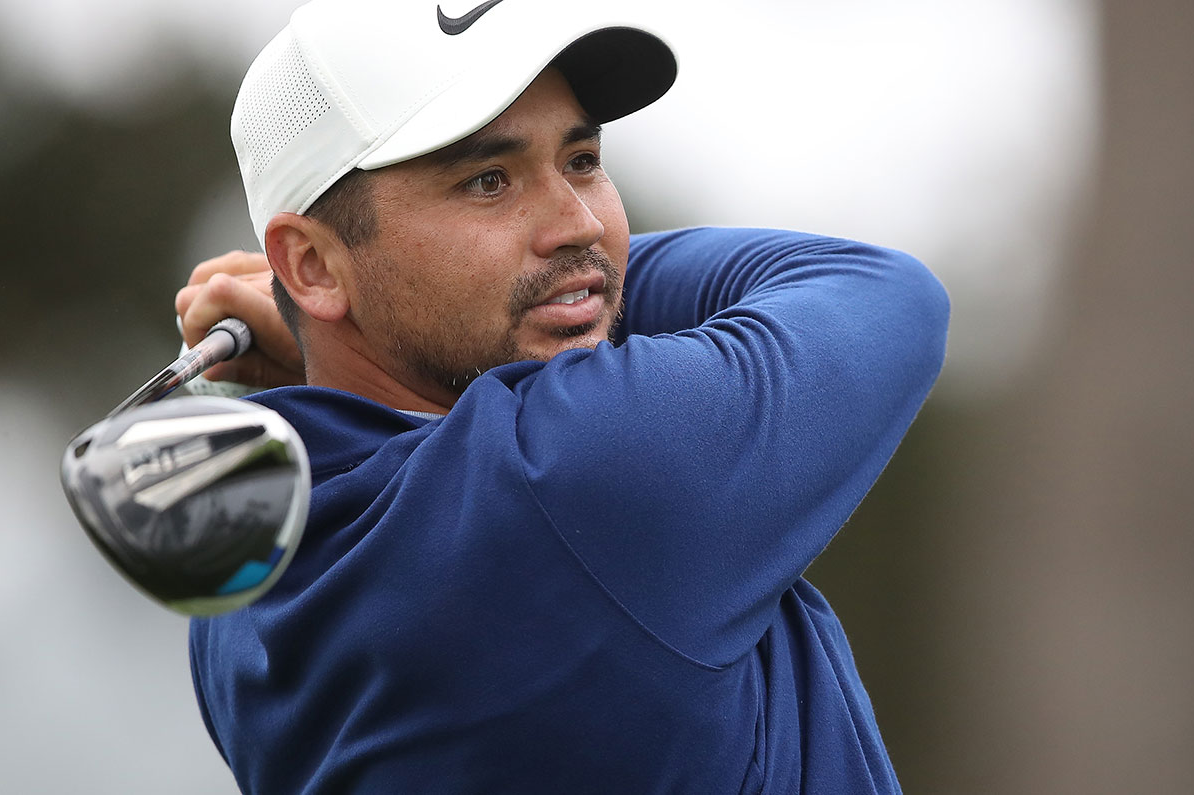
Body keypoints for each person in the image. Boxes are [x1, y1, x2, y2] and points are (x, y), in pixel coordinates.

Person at [177, 1, 950, 792]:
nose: (579, 223)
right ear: (311, 263)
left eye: (581, 160)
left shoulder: (237, 586)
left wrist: (330, 322)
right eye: (488, 181)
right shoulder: (575, 471)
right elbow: (881, 292)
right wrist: (581, 281)